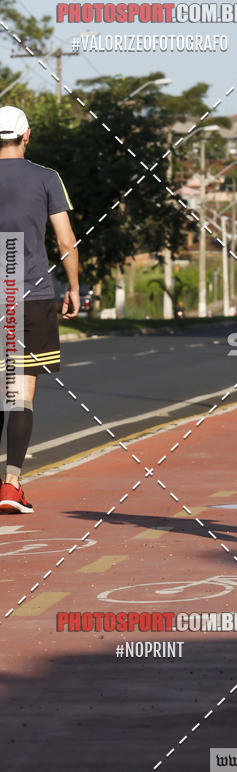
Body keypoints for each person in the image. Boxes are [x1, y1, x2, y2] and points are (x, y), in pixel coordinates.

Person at [0, 105, 79, 512]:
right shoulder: (46, 178)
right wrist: (74, 287)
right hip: (28, 296)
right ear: (25, 135)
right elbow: (66, 241)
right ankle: (11, 484)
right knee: (18, 394)